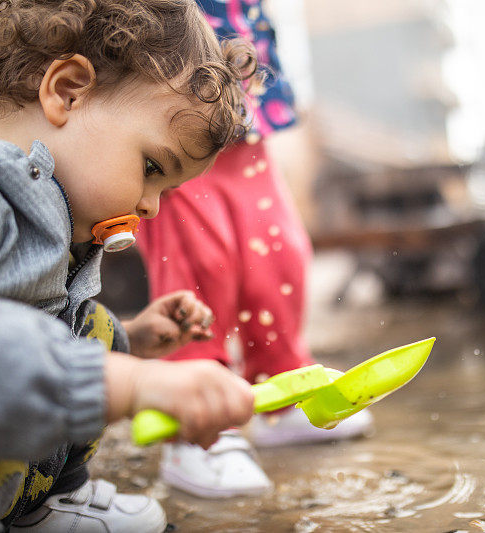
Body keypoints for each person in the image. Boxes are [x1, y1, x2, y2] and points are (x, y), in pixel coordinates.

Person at [0, 0, 259, 530]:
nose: (152, 206)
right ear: (67, 90)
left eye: (166, 188)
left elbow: (44, 325)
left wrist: (131, 339)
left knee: (92, 327)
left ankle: (45, 505)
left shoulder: (49, 209)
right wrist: (135, 385)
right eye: (151, 168)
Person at [138, 0, 373, 499]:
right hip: (171, 95)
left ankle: (281, 393)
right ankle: (195, 425)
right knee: (200, 259)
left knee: (279, 253)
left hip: (246, 105)